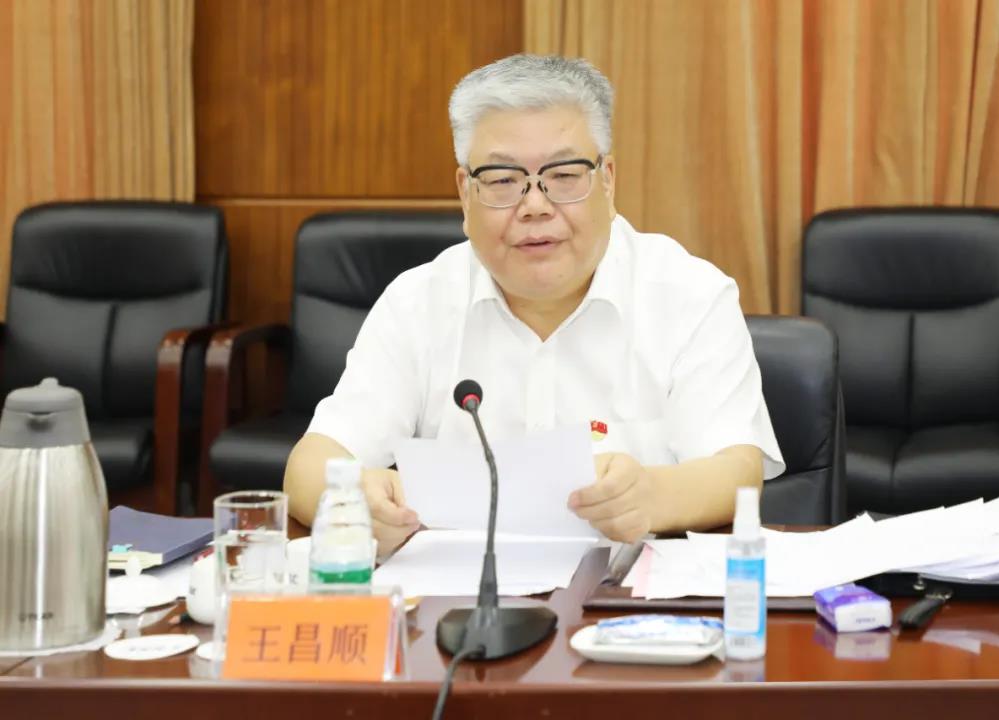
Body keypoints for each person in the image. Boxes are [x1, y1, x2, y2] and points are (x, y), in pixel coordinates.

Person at [284, 54, 784, 553]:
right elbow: (310, 466)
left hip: (631, 590)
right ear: (465, 194)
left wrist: (650, 496)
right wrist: (354, 500)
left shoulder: (691, 295)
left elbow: (735, 471)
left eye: (564, 175)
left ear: (608, 180)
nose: (535, 205)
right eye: (503, 180)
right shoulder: (417, 302)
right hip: (459, 594)